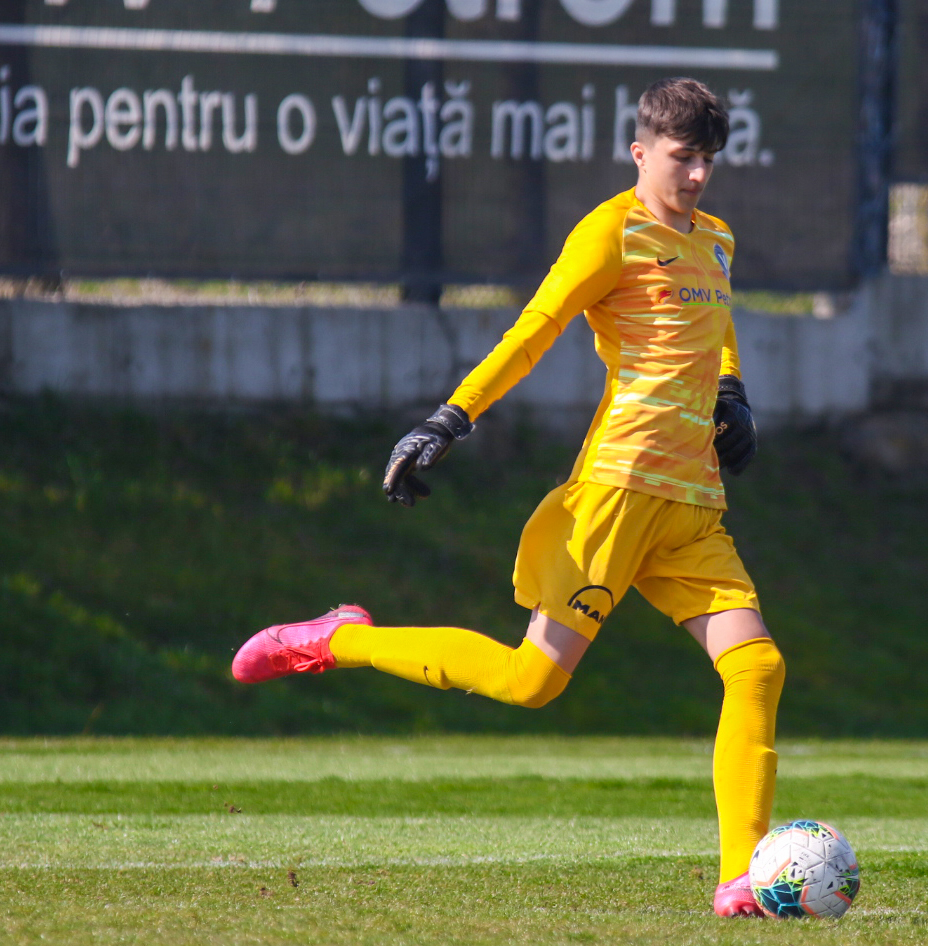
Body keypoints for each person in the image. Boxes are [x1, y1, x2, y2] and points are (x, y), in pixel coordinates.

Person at [231, 77, 784, 919]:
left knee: (757, 667)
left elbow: (717, 329)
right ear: (640, 153)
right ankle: (339, 640)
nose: (699, 176)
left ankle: (740, 876)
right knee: (532, 683)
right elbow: (534, 331)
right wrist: (449, 419)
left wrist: (734, 394)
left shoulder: (717, 239)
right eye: (684, 158)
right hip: (618, 493)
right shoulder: (609, 232)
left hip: (692, 504)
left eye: (709, 159)